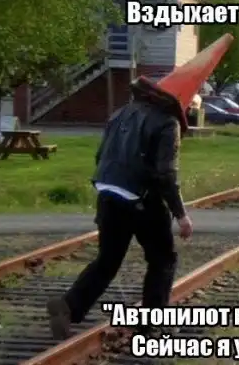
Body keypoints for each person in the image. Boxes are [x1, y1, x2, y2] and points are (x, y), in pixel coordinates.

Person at [46, 76, 194, 340]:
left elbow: (100, 156)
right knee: (162, 259)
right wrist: (181, 214)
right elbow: (165, 174)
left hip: (107, 192)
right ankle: (152, 324)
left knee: (107, 260)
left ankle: (69, 306)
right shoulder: (166, 122)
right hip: (141, 198)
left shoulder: (120, 114)